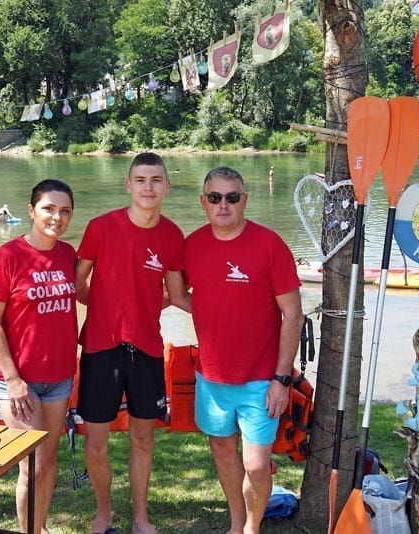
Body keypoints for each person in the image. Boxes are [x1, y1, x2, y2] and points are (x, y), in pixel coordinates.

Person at [183, 166, 304, 534]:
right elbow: (176, 294)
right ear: (203, 202)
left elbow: (293, 315)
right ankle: (237, 524)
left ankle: (252, 527)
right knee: (223, 452)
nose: (223, 204)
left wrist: (282, 379)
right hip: (212, 377)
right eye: (215, 197)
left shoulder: (269, 244)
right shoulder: (192, 245)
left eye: (232, 197)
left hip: (262, 379)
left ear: (244, 200)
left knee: (256, 464)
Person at [75, 152, 188, 534]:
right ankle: (103, 513)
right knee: (95, 445)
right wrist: (103, 304)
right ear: (128, 185)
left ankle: (140, 518)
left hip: (147, 350)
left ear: (167, 186)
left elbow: (177, 294)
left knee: (143, 440)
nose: (148, 188)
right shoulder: (100, 227)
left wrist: (231, 308)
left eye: (156, 180)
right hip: (100, 349)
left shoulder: (172, 235)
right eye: (140, 180)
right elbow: (76, 282)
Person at [0, 179, 77, 534]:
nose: (57, 217)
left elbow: (93, 293)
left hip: (60, 376)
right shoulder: (7, 257)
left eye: (65, 211)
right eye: (49, 209)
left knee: (48, 459)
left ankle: (40, 526)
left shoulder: (68, 254)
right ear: (31, 211)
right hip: (18, 379)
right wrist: (13, 379)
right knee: (32, 462)